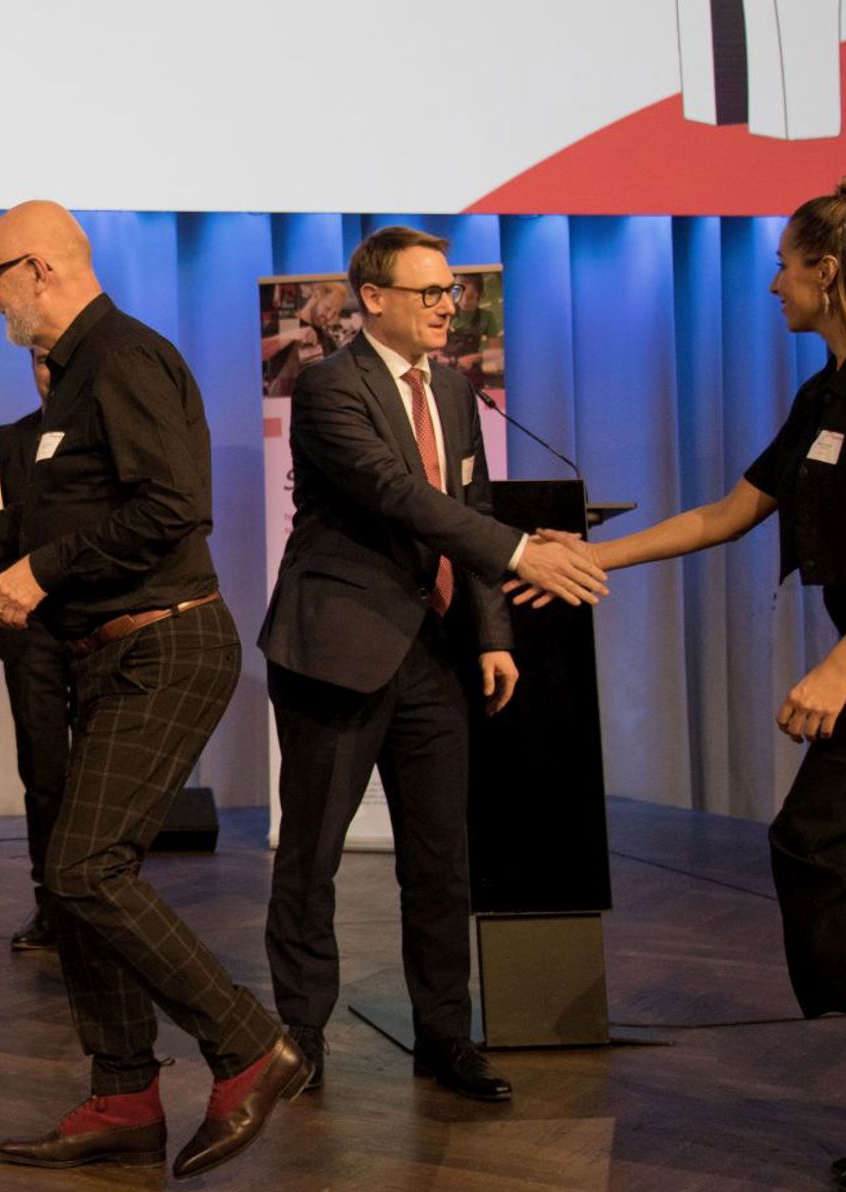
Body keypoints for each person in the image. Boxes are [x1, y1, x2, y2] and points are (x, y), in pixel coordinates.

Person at [524, 166, 846, 1192]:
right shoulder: (825, 390)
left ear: (825, 270)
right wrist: (588, 557)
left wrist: (839, 664)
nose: (772, 284)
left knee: (815, 850)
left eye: (782, 266)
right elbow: (728, 513)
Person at [0, 200, 305, 1179]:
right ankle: (124, 1094)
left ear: (37, 270)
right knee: (73, 874)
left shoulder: (125, 359)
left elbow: (175, 507)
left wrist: (44, 573)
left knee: (86, 870)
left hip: (165, 647)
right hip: (112, 654)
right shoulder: (72, 378)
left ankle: (249, 1045)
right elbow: (29, 525)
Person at [259, 226, 607, 1101]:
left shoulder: (453, 390)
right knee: (312, 859)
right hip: (337, 651)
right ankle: (301, 1039)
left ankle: (445, 1038)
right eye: (431, 293)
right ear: (374, 299)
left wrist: (492, 632)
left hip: (435, 652)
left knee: (441, 860)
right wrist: (522, 553)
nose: (449, 306)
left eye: (451, 291)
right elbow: (397, 494)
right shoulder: (328, 386)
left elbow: (471, 504)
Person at [0, 346, 71, 952]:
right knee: (44, 773)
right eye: (41, 361)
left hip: (106, 625)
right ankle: (51, 903)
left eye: (60, 362)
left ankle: (99, 901)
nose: (51, 373)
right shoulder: (7, 444)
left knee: (100, 776)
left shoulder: (109, 436)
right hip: (29, 630)